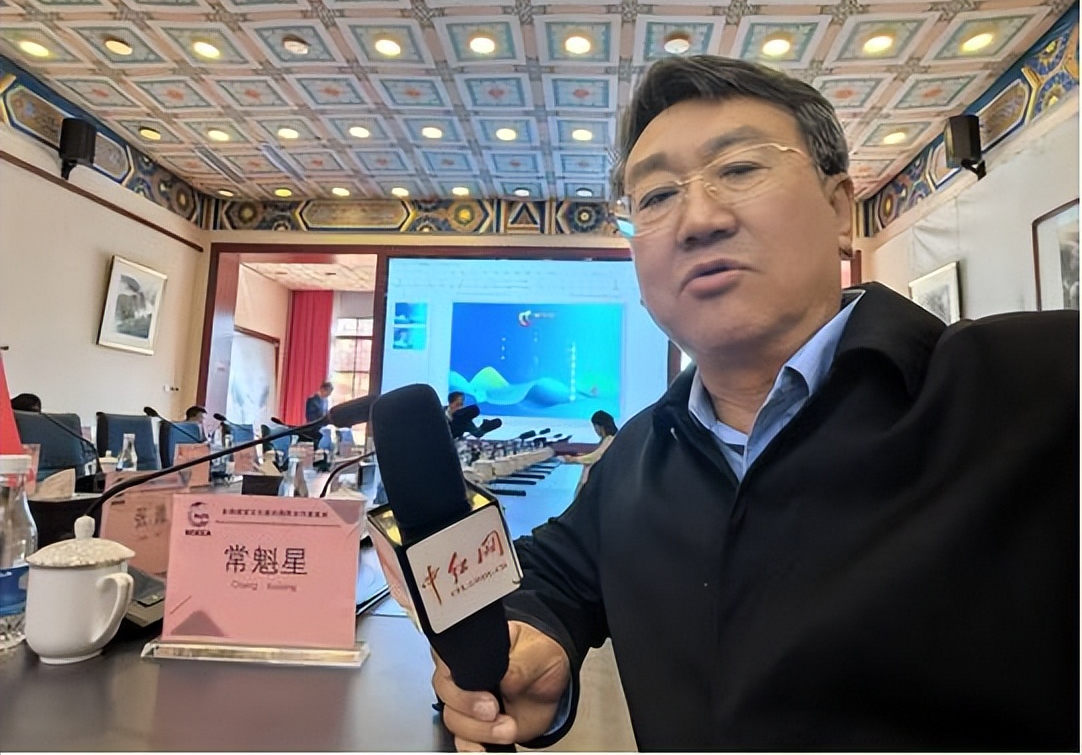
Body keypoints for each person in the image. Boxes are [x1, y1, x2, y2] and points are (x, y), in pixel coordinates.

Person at [432, 55, 1079, 751]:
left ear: (839, 209)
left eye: (739, 169)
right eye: (656, 196)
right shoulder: (639, 456)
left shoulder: (1040, 385)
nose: (698, 220)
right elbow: (553, 574)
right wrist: (538, 636)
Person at [558, 410, 618, 493]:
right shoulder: (606, 439)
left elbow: (596, 456)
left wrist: (573, 459)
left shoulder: (610, 439)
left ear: (600, 426)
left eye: (595, 426)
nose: (595, 430)